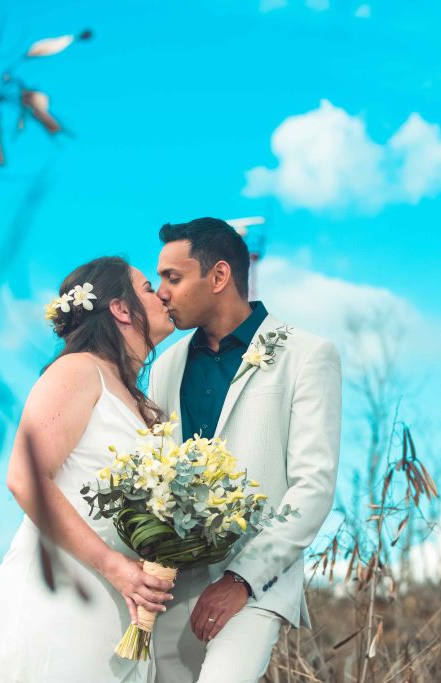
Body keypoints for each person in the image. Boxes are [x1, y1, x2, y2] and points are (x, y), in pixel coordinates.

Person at [148, 217, 342, 683]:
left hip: (255, 585)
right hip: (171, 587)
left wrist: (242, 580)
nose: (160, 292)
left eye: (172, 277)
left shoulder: (307, 354)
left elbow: (313, 487)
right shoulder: (166, 365)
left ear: (218, 276)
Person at [0, 256, 177, 682]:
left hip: (125, 598)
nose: (162, 294)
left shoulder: (146, 405)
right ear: (121, 309)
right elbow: (25, 478)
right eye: (148, 287)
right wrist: (114, 567)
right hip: (64, 586)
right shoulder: (77, 371)